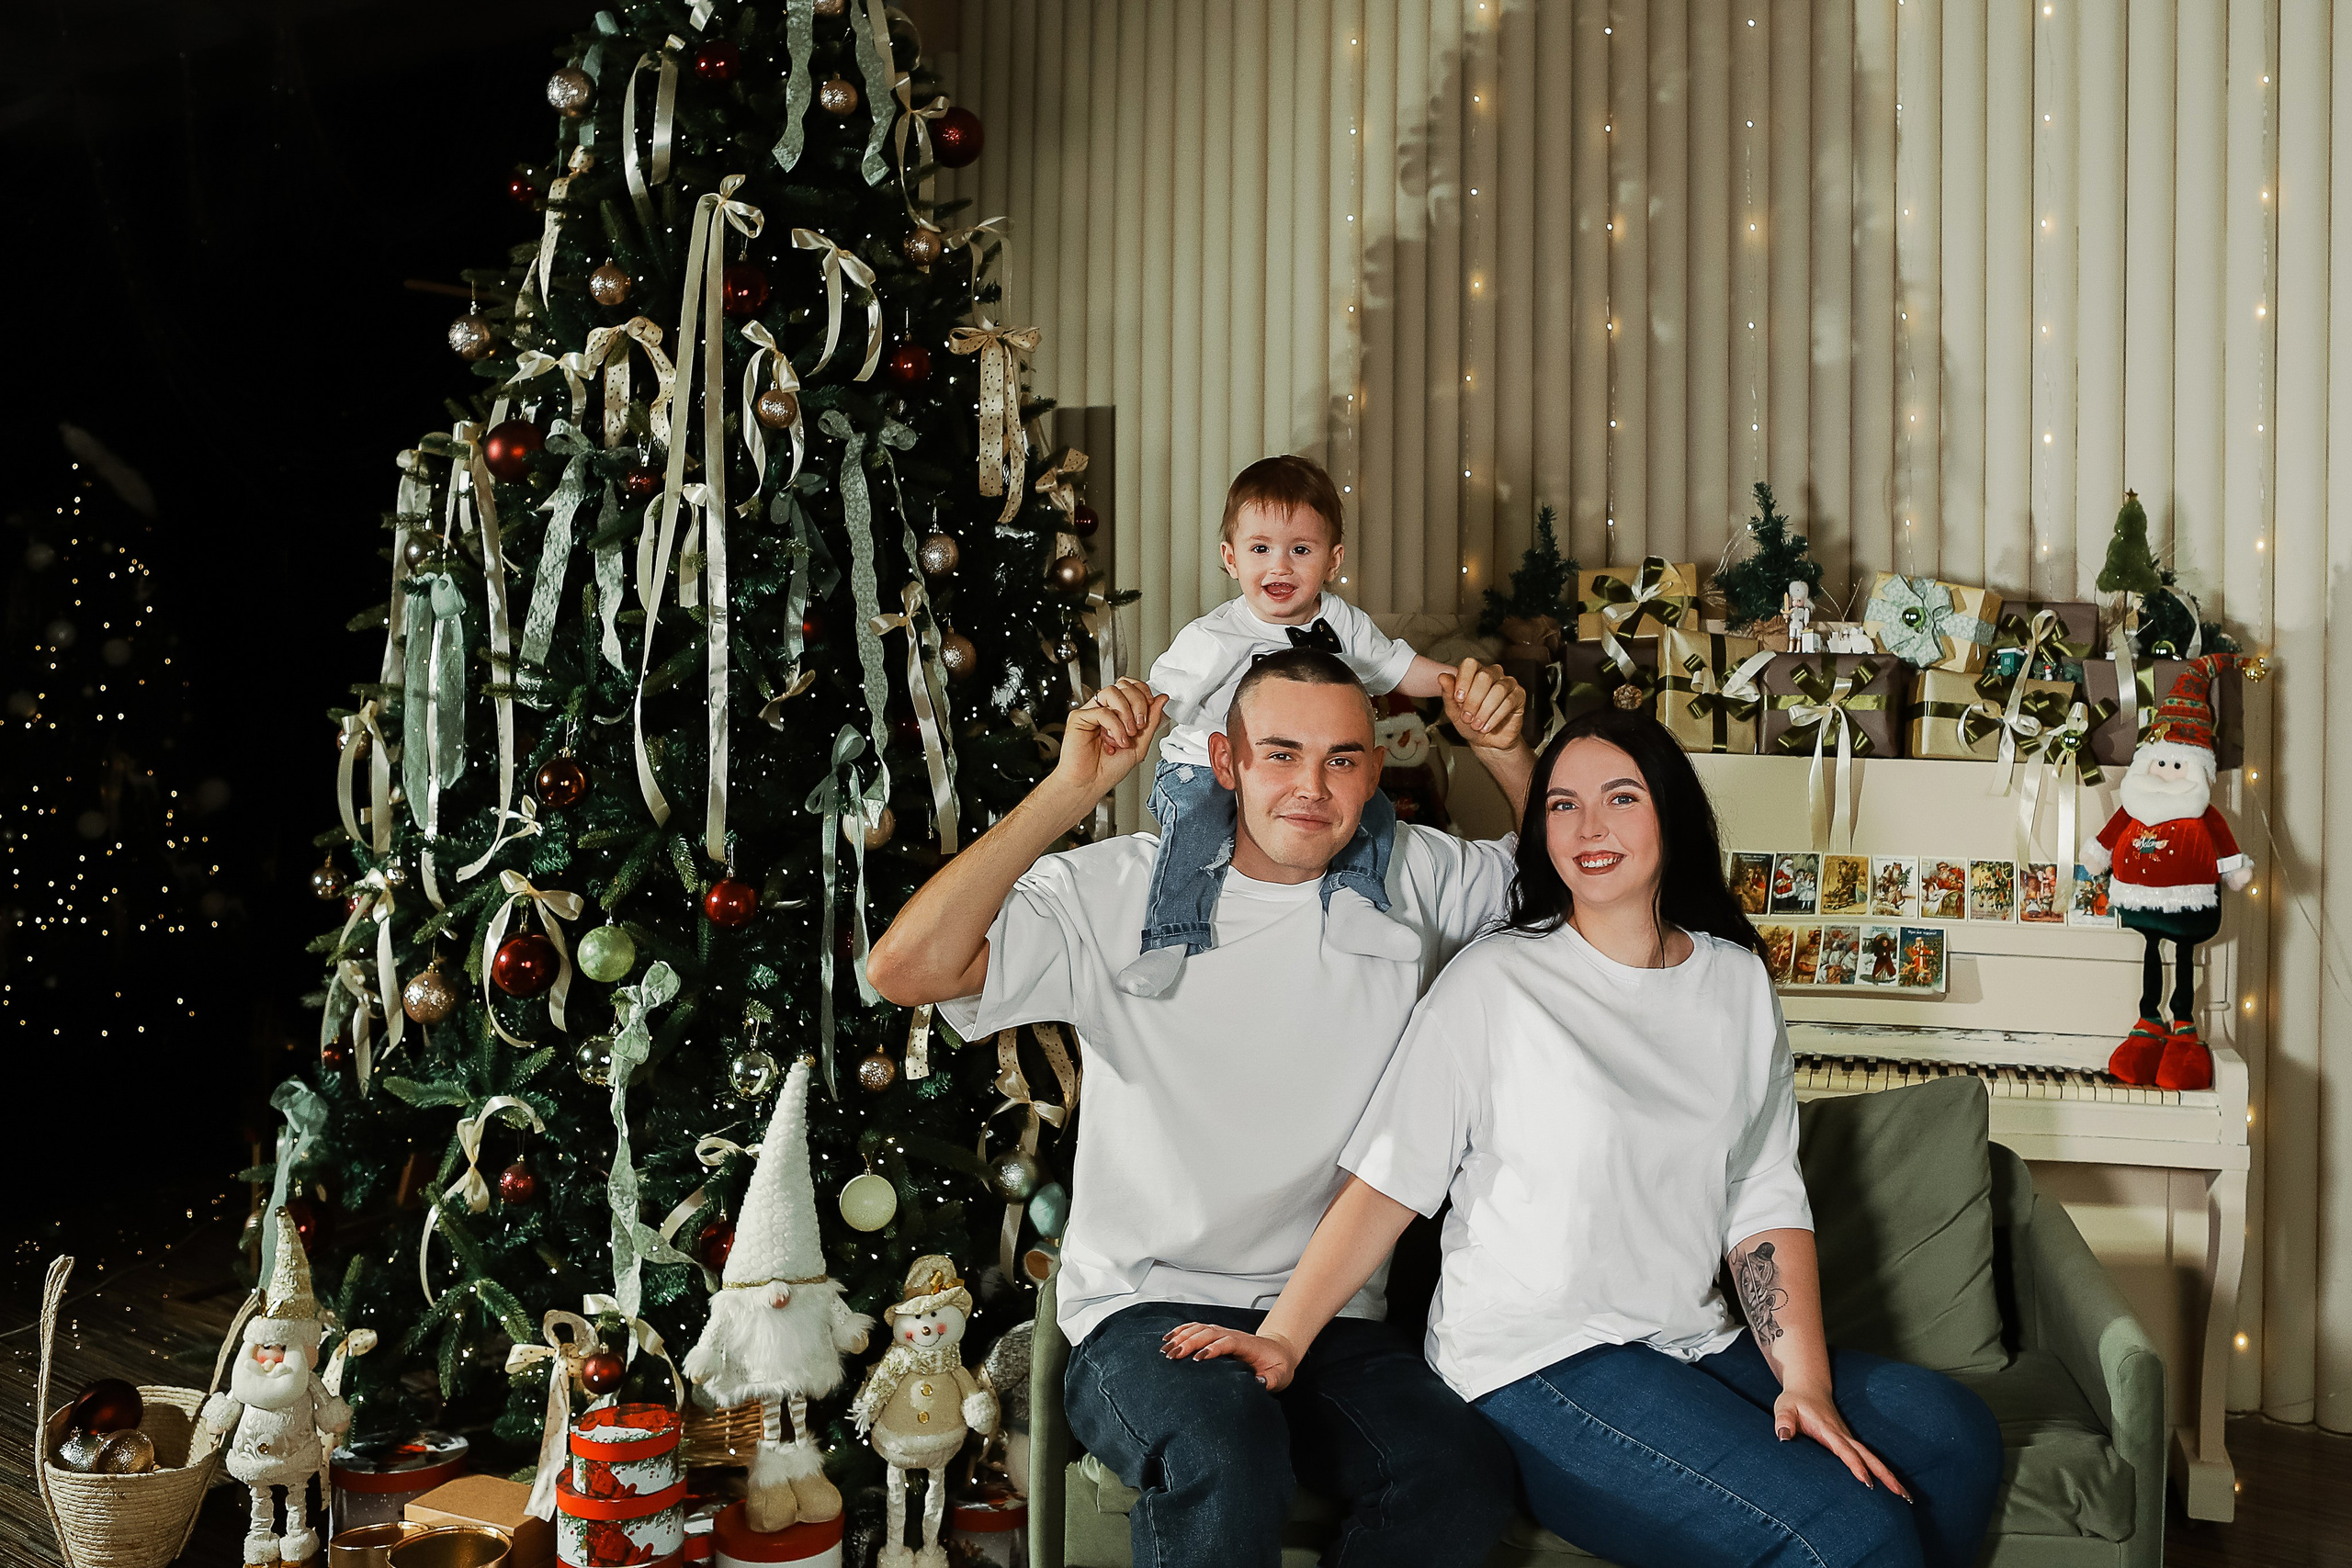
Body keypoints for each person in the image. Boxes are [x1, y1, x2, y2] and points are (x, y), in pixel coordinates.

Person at [1163, 707, 2007, 1568]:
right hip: (1535, 1360)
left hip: (1689, 1336)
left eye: (1620, 797)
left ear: (1670, 817)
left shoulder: (1734, 980)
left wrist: (1805, 1381)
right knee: (1850, 1534)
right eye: (1562, 804)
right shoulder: (1496, 980)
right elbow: (1389, 1180)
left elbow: (1761, 1194)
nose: (1589, 826)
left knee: (1952, 1436)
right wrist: (1286, 1334)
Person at [867, 647, 1532, 1568]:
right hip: (1145, 1310)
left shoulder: (1412, 875)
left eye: (1342, 758)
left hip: (1330, 1315)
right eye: (1280, 754)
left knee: (1455, 1470)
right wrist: (1067, 792)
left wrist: (1508, 757)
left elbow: (1581, 885)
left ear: (1374, 770)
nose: (1313, 786)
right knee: (1227, 1449)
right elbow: (907, 968)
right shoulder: (1124, 888)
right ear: (1225, 763)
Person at [1122, 456, 1469, 997]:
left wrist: (1458, 682)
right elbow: (1164, 694)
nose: (1279, 567)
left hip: (1301, 764)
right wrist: (1135, 714)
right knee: (1197, 827)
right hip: (1205, 766)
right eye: (1261, 549)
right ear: (1230, 559)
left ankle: (1355, 900)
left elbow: (1398, 667)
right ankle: (1170, 935)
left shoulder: (1342, 623)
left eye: (1299, 551)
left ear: (1332, 561)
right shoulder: (1214, 636)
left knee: (1372, 809)